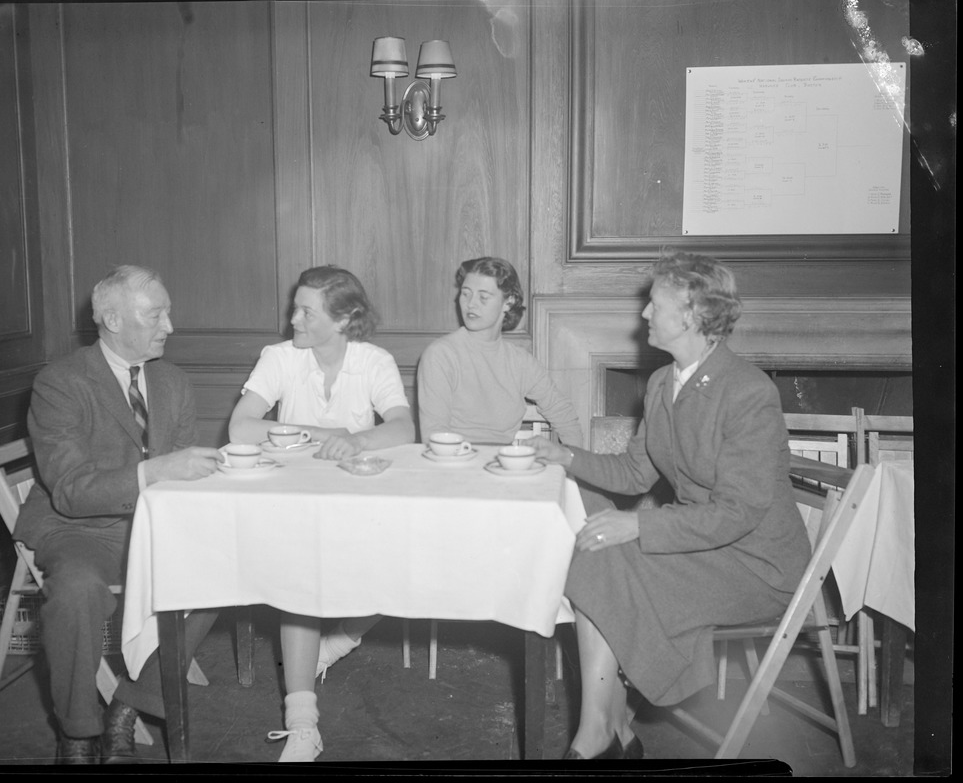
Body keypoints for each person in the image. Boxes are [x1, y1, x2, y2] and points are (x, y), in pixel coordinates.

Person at [527, 251, 812, 760]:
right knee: (594, 545)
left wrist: (638, 525)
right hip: (701, 545)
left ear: (693, 314)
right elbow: (636, 473)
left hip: (756, 565)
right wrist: (563, 455)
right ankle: (606, 729)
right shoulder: (663, 384)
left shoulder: (748, 391)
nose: (643, 315)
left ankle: (604, 733)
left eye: (654, 304)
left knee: (606, 551)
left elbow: (739, 511)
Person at [13, 265, 224, 764]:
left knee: (227, 569)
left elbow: (179, 477)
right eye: (156, 315)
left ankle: (127, 707)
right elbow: (70, 490)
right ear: (111, 318)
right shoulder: (60, 383)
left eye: (168, 313)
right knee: (76, 591)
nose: (169, 326)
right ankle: (78, 734)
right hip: (78, 528)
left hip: (152, 526)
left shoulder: (172, 381)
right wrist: (155, 471)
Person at [228, 265, 414, 762]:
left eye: (306, 311)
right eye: (295, 307)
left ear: (344, 319)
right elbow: (241, 427)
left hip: (358, 502)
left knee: (405, 559)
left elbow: (402, 429)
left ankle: (337, 643)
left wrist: (353, 440)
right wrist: (317, 437)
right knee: (300, 577)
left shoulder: (374, 361)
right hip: (293, 503)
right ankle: (303, 723)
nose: (294, 319)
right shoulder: (280, 358)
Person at [417, 257, 583, 446]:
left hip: (504, 466)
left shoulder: (521, 362)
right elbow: (435, 436)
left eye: (483, 297)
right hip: (454, 467)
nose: (471, 304)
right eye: (465, 294)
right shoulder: (441, 355)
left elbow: (563, 414)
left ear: (508, 302)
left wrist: (573, 465)